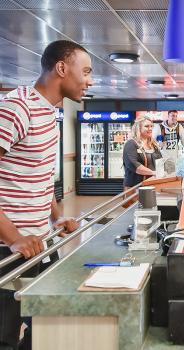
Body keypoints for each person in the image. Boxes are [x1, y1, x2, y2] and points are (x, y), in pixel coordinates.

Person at [0, 40, 93, 350]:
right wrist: (13, 236)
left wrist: (57, 217)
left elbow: (37, 179)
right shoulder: (17, 108)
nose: (89, 81)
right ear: (62, 68)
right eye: (86, 72)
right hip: (10, 253)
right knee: (8, 338)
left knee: (45, 325)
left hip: (40, 243)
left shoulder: (49, 113)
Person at [123, 116, 162, 190]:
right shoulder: (131, 144)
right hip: (135, 188)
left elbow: (160, 161)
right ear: (138, 128)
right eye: (147, 126)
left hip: (152, 185)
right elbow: (135, 166)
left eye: (151, 126)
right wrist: (154, 173)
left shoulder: (153, 144)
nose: (150, 129)